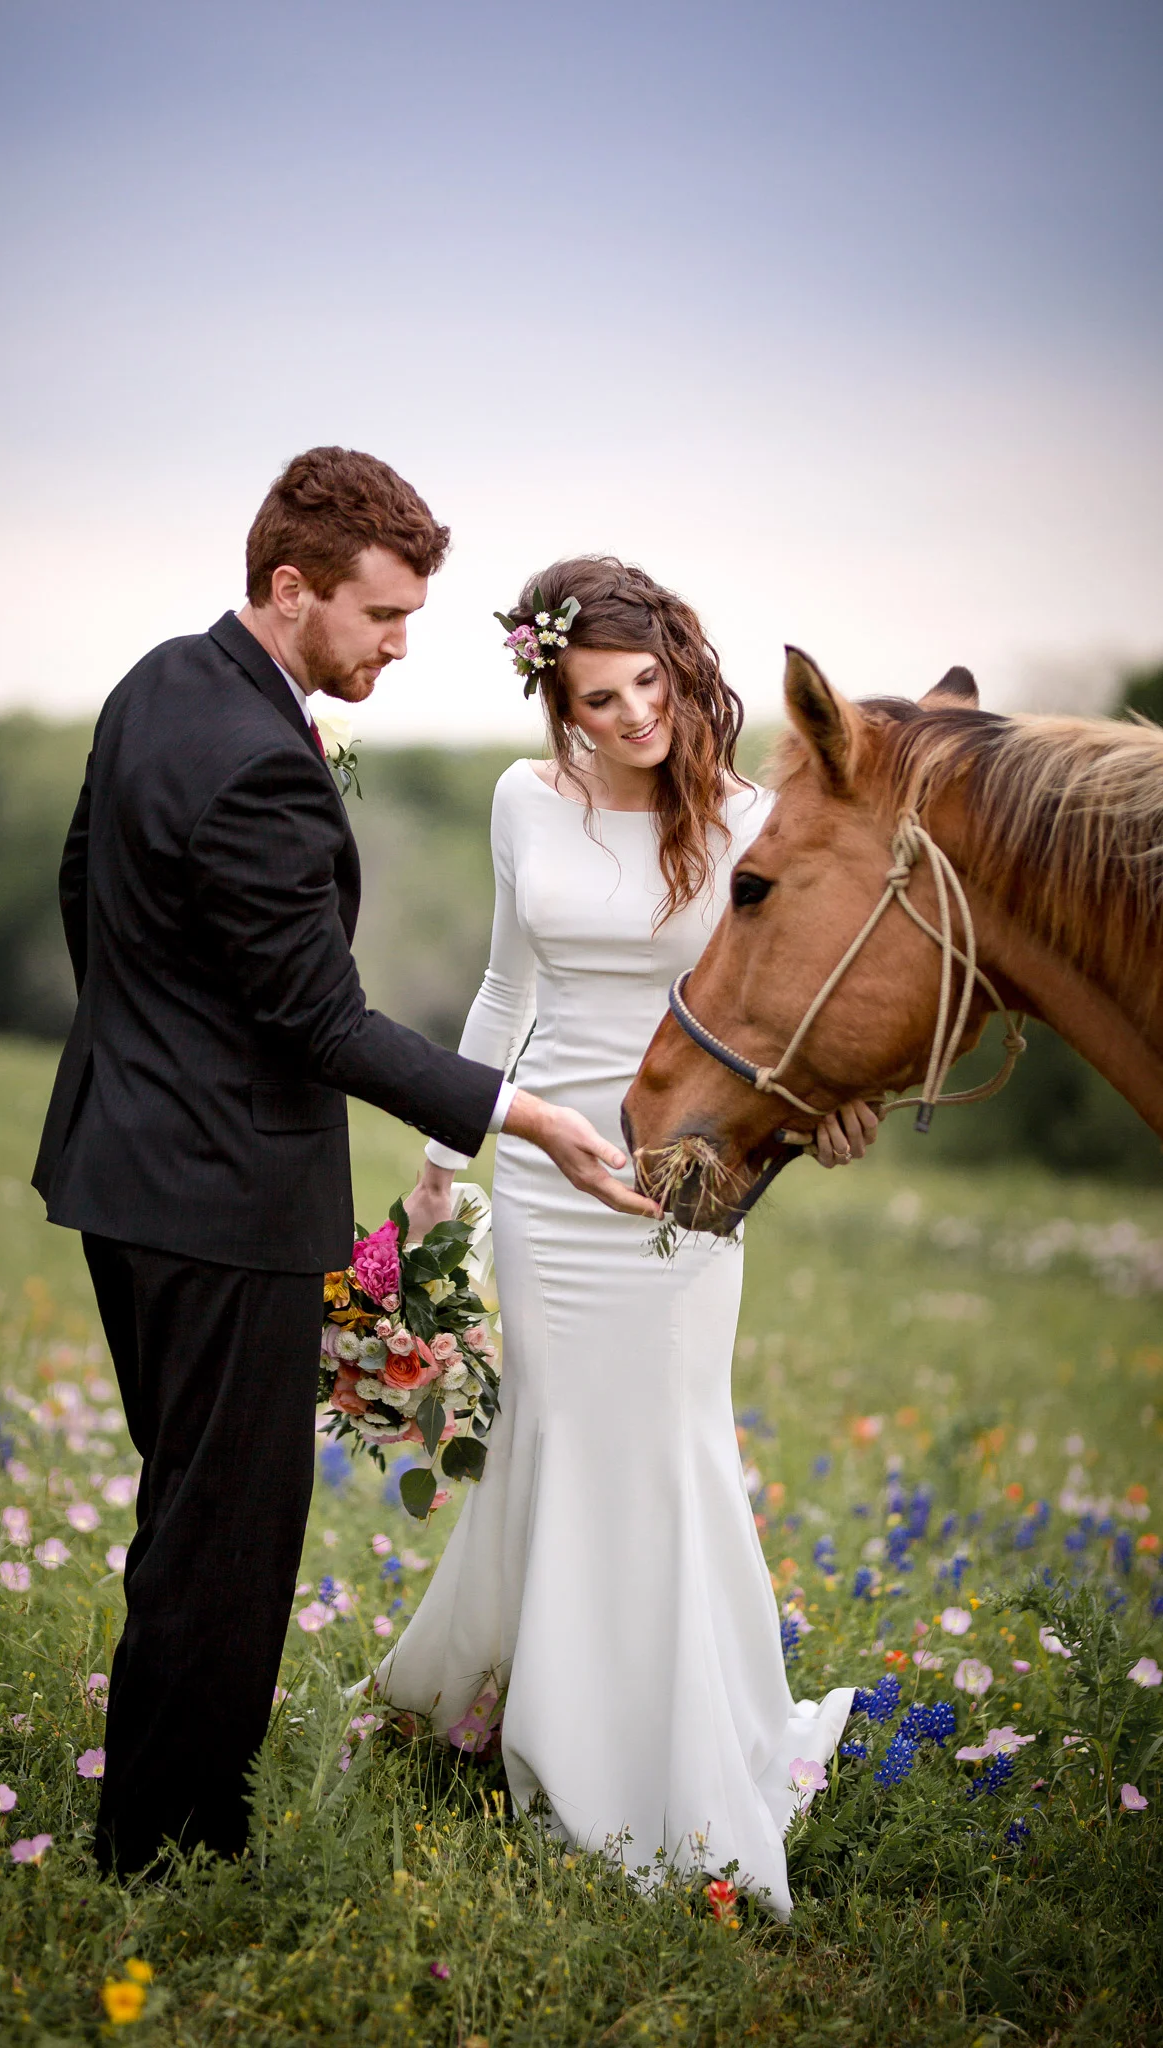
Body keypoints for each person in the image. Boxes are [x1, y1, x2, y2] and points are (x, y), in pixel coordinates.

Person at [31, 453, 658, 1877]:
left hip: (117, 1169)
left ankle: (157, 1819)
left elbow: (84, 885)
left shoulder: (157, 686)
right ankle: (166, 1851)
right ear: (290, 586)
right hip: (225, 1199)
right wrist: (527, 1113)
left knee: (187, 1503)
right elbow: (319, 1019)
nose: (395, 645)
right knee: (227, 1538)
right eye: (379, 618)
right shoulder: (261, 758)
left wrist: (149, 1049)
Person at [377, 557, 876, 1919]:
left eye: (650, 682)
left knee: (663, 1451)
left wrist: (832, 1108)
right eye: (600, 698)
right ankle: (535, 1712)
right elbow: (502, 985)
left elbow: (798, 1006)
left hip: (677, 1181)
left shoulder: (748, 819)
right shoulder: (523, 802)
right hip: (544, 1176)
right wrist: (440, 1164)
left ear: (679, 665)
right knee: (549, 1444)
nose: (635, 715)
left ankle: (673, 1756)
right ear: (561, 701)